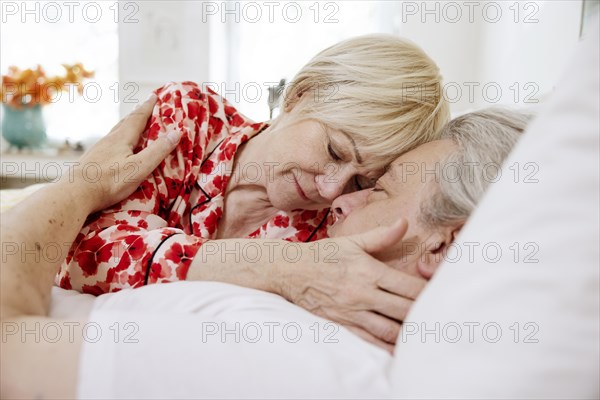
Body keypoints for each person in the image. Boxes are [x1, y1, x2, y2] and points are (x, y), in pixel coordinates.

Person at [0, 99, 527, 398]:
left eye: (376, 186)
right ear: (297, 100)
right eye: (335, 153)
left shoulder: (277, 357)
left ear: (443, 245)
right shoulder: (316, 312)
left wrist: (79, 185)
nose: (336, 198)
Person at [55, 34, 449, 345]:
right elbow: (81, 252)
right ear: (300, 95)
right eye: (333, 150)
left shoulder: (332, 230)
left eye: (362, 181)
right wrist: (271, 266)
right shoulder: (188, 118)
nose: (332, 190)